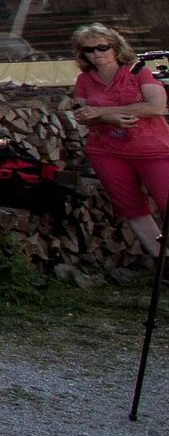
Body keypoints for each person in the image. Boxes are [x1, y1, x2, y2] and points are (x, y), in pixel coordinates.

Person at [70, 23, 167, 259]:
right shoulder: (85, 79)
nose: (96, 53)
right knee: (131, 206)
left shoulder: (138, 71)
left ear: (115, 47)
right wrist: (107, 117)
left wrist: (103, 113)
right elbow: (82, 115)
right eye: (89, 50)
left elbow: (156, 106)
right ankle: (162, 262)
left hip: (152, 149)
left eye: (102, 47)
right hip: (107, 151)